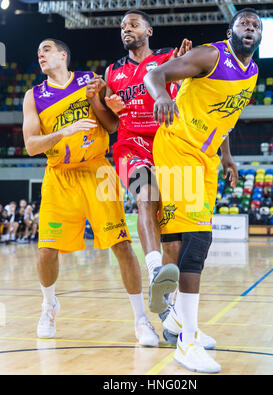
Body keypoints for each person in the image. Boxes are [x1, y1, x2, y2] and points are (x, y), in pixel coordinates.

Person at [144, 8, 262, 373]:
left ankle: (178, 319)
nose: (250, 27)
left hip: (206, 156)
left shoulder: (252, 73)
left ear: (260, 37)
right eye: (243, 22)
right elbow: (155, 73)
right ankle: (187, 342)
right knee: (198, 242)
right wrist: (162, 96)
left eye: (256, 25)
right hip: (179, 144)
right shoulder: (212, 55)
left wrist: (227, 156)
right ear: (231, 30)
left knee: (179, 240)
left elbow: (224, 117)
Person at [22, 38, 159, 347]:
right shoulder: (34, 96)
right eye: (38, 51)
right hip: (59, 176)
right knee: (46, 250)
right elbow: (31, 146)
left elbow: (112, 126)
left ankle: (140, 319)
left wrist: (107, 103)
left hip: (97, 171)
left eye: (46, 49)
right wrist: (62, 132)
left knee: (122, 245)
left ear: (62, 54)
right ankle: (49, 305)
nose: (40, 54)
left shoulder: (90, 81)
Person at [86, 9, 192, 316]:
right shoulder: (112, 71)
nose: (125, 30)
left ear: (148, 31)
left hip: (168, 144)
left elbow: (190, 89)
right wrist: (103, 103)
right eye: (122, 27)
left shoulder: (168, 57)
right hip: (131, 145)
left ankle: (169, 311)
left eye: (133, 25)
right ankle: (155, 270)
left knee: (173, 233)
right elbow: (108, 124)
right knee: (146, 197)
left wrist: (184, 63)